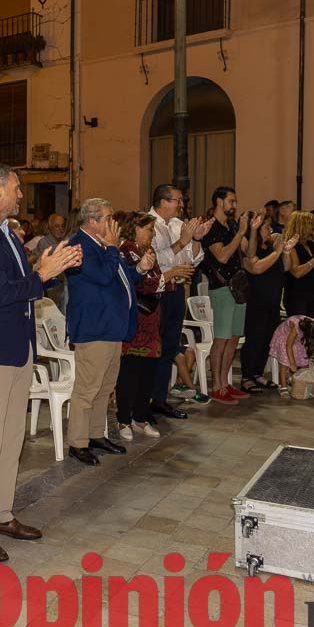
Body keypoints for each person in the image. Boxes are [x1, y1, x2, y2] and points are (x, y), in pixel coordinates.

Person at [0, 163, 82, 563]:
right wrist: (40, 275)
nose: (21, 195)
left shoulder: (3, 231)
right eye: (16, 187)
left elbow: (24, 283)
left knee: (11, 440)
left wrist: (49, 270)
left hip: (14, 348)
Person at [64, 199, 153, 465]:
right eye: (107, 217)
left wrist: (139, 269)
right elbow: (102, 276)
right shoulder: (78, 246)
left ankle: (95, 435)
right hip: (94, 328)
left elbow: (121, 278)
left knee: (105, 387)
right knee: (87, 389)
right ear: (91, 221)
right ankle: (77, 443)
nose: (112, 223)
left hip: (111, 328)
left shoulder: (102, 245)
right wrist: (113, 248)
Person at [116, 213, 193, 438]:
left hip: (152, 320)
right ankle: (123, 420)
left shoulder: (147, 252)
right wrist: (172, 274)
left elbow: (157, 280)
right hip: (137, 320)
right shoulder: (127, 251)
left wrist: (173, 278)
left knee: (147, 371)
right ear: (134, 229)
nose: (151, 234)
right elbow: (141, 284)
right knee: (131, 372)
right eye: (148, 230)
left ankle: (140, 417)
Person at [149, 184, 213, 410]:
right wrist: (184, 241)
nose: (182, 204)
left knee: (169, 346)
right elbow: (154, 261)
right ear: (163, 202)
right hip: (154, 293)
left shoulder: (178, 225)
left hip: (176, 291)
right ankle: (146, 398)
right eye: (177, 200)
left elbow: (194, 260)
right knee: (152, 347)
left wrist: (195, 239)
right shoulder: (147, 225)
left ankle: (159, 398)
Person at [201, 187, 250, 404]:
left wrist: (248, 230)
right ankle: (216, 386)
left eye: (235, 201)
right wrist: (239, 233)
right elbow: (221, 256)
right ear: (219, 201)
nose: (234, 205)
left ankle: (225, 382)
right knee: (221, 338)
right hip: (221, 288)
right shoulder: (211, 227)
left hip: (238, 287)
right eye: (231, 201)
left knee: (234, 337)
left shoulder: (230, 225)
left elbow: (248, 250)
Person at [240, 216, 295, 392]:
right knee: (254, 340)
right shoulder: (249, 249)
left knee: (266, 340)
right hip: (256, 301)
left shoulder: (272, 247)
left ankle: (257, 373)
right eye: (266, 227)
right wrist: (278, 252)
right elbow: (256, 268)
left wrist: (285, 251)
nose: (270, 230)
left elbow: (286, 268)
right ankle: (246, 376)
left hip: (273, 301)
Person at [269, 315, 314, 391]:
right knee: (284, 362)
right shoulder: (296, 327)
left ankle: (300, 381)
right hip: (284, 337)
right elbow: (288, 346)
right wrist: (292, 363)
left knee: (304, 360)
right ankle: (283, 386)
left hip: (298, 339)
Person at [32, 213, 70, 310]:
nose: (61, 229)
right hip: (51, 286)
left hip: (65, 284)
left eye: (63, 226)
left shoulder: (67, 241)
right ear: (50, 227)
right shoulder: (44, 242)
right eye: (57, 226)